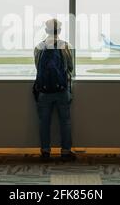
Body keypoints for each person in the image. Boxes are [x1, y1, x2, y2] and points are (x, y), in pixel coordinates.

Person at [34, 19, 76, 161]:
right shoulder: (66, 46)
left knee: (44, 122)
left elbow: (37, 67)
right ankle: (65, 152)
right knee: (65, 121)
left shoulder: (39, 46)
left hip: (44, 91)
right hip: (62, 90)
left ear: (46, 31)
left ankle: (45, 152)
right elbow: (71, 68)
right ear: (60, 31)